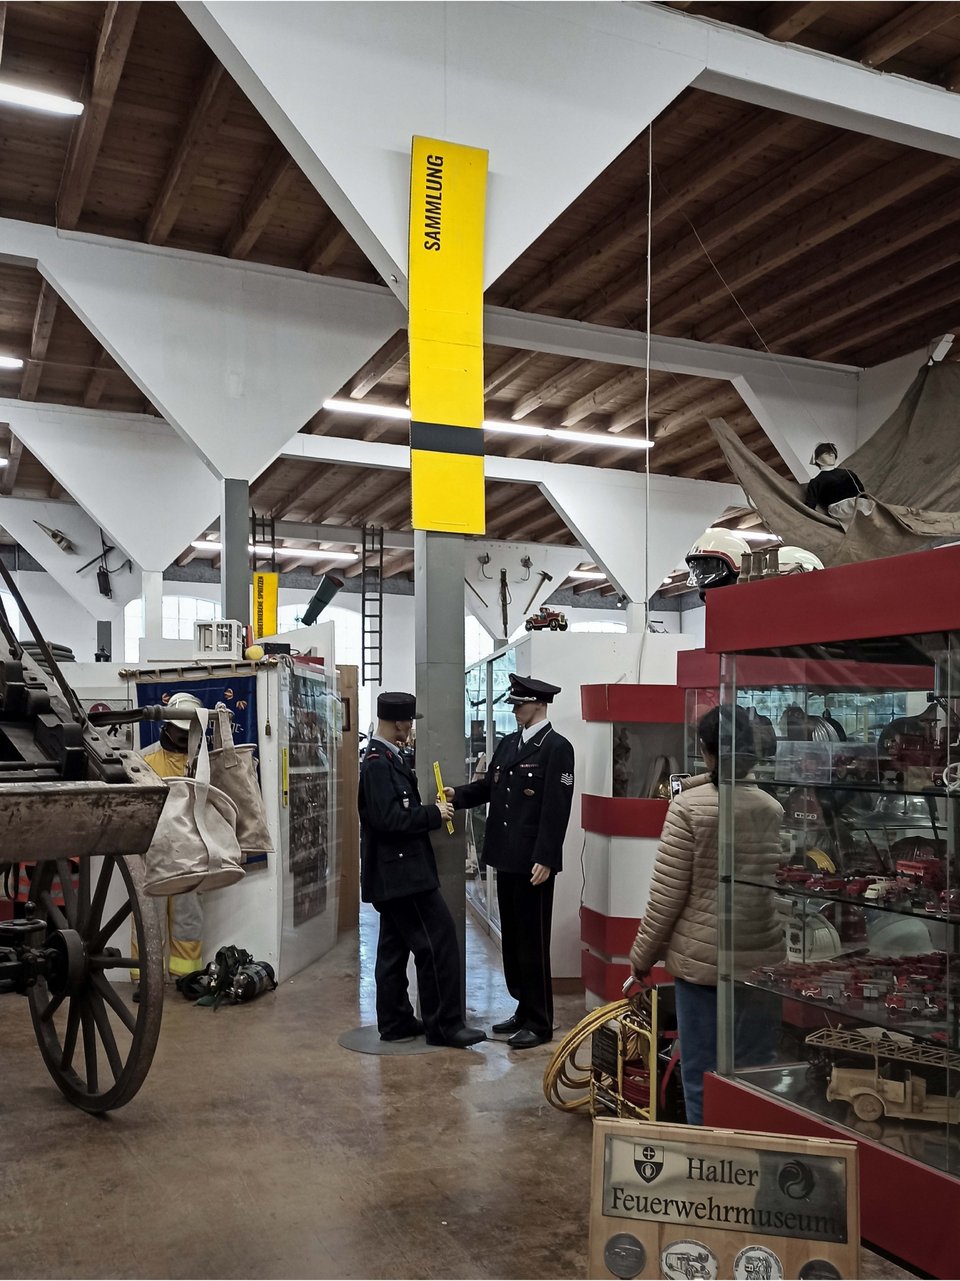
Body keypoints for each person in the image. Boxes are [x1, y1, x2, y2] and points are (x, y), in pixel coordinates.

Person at [629, 705, 784, 1125]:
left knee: (700, 1075)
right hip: (762, 964)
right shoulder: (771, 807)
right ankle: (756, 1161)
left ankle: (711, 1171)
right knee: (757, 1073)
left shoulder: (688, 809)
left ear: (704, 750)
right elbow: (781, 889)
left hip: (703, 967)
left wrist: (641, 959)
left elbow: (666, 898)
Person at [447, 673, 575, 1050]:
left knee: (533, 941)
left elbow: (557, 807)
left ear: (539, 703)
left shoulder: (557, 748)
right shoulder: (508, 745)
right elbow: (488, 787)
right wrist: (458, 795)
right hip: (506, 856)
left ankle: (540, 1020)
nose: (516, 710)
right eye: (514, 705)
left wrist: (547, 857)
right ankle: (523, 1006)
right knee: (514, 941)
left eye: (520, 704)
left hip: (534, 862)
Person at [359, 691, 485, 1049]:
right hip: (403, 877)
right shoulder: (379, 764)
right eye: (409, 722)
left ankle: (395, 1019)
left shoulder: (386, 759)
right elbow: (388, 820)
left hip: (396, 874)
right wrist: (434, 814)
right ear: (399, 723)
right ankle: (444, 1026)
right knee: (439, 942)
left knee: (394, 948)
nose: (411, 728)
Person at [131, 690, 205, 998]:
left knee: (188, 914)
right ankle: (146, 978)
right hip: (154, 850)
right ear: (168, 728)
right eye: (179, 731)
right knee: (149, 914)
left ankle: (186, 977)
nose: (183, 738)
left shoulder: (203, 763)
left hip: (190, 850)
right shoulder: (144, 760)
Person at [805, 442, 869, 525]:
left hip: (862, 504)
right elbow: (810, 505)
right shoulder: (816, 481)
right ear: (817, 460)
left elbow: (862, 492)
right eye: (827, 453)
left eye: (832, 452)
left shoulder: (848, 472)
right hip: (842, 511)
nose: (831, 455)